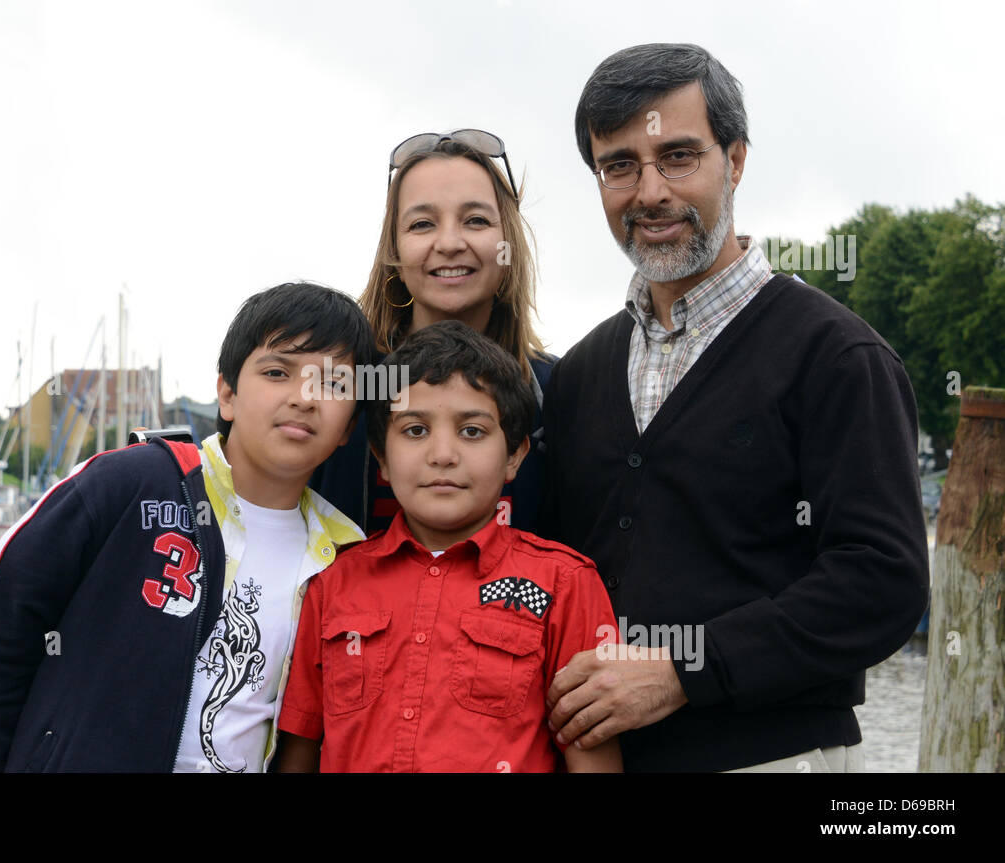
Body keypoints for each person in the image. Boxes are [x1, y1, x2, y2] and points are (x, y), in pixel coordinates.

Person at [540, 43, 929, 772]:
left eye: (678, 156)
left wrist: (686, 671)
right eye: (618, 164)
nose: (649, 190)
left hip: (771, 758)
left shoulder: (837, 357)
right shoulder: (580, 374)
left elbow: (882, 581)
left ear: (737, 160)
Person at [0, 282, 374, 772]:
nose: (304, 398)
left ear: (349, 426)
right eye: (278, 372)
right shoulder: (132, 483)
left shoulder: (346, 556)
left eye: (332, 384)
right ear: (228, 393)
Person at [277, 321, 621, 772]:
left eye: (472, 431)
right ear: (381, 457)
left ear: (515, 455)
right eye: (415, 430)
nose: (443, 454)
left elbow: (592, 757)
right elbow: (299, 749)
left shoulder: (566, 583)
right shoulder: (331, 582)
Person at [310, 130, 555, 535]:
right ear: (394, 250)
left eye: (475, 220)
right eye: (422, 224)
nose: (450, 242)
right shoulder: (348, 387)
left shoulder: (556, 393)